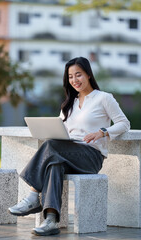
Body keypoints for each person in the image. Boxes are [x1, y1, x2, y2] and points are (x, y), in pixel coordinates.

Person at [8, 57, 130, 236]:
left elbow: (124, 123)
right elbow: (61, 131)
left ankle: (33, 196)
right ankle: (50, 221)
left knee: (51, 147)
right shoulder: (69, 104)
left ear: (88, 74)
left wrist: (102, 132)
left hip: (91, 157)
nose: (75, 80)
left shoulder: (104, 98)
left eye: (78, 75)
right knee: (54, 163)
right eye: (71, 77)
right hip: (67, 153)